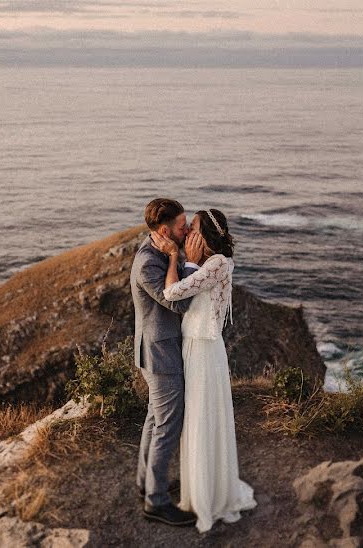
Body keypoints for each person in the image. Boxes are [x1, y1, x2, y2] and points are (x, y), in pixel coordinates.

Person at [151, 208, 257, 533]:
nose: (189, 235)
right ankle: (200, 487)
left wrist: (177, 259)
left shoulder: (216, 264)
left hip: (203, 350)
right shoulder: (218, 264)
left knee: (201, 418)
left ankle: (206, 497)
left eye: (193, 228)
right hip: (198, 346)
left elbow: (171, 293)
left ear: (205, 235)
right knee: (199, 418)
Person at [131, 198, 202, 527]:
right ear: (164, 231)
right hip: (160, 355)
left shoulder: (157, 251)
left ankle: (147, 483)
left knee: (154, 419)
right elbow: (177, 305)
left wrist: (178, 253)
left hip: (157, 351)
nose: (186, 229)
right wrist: (177, 256)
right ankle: (156, 503)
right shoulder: (149, 262)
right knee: (167, 426)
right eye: (180, 225)